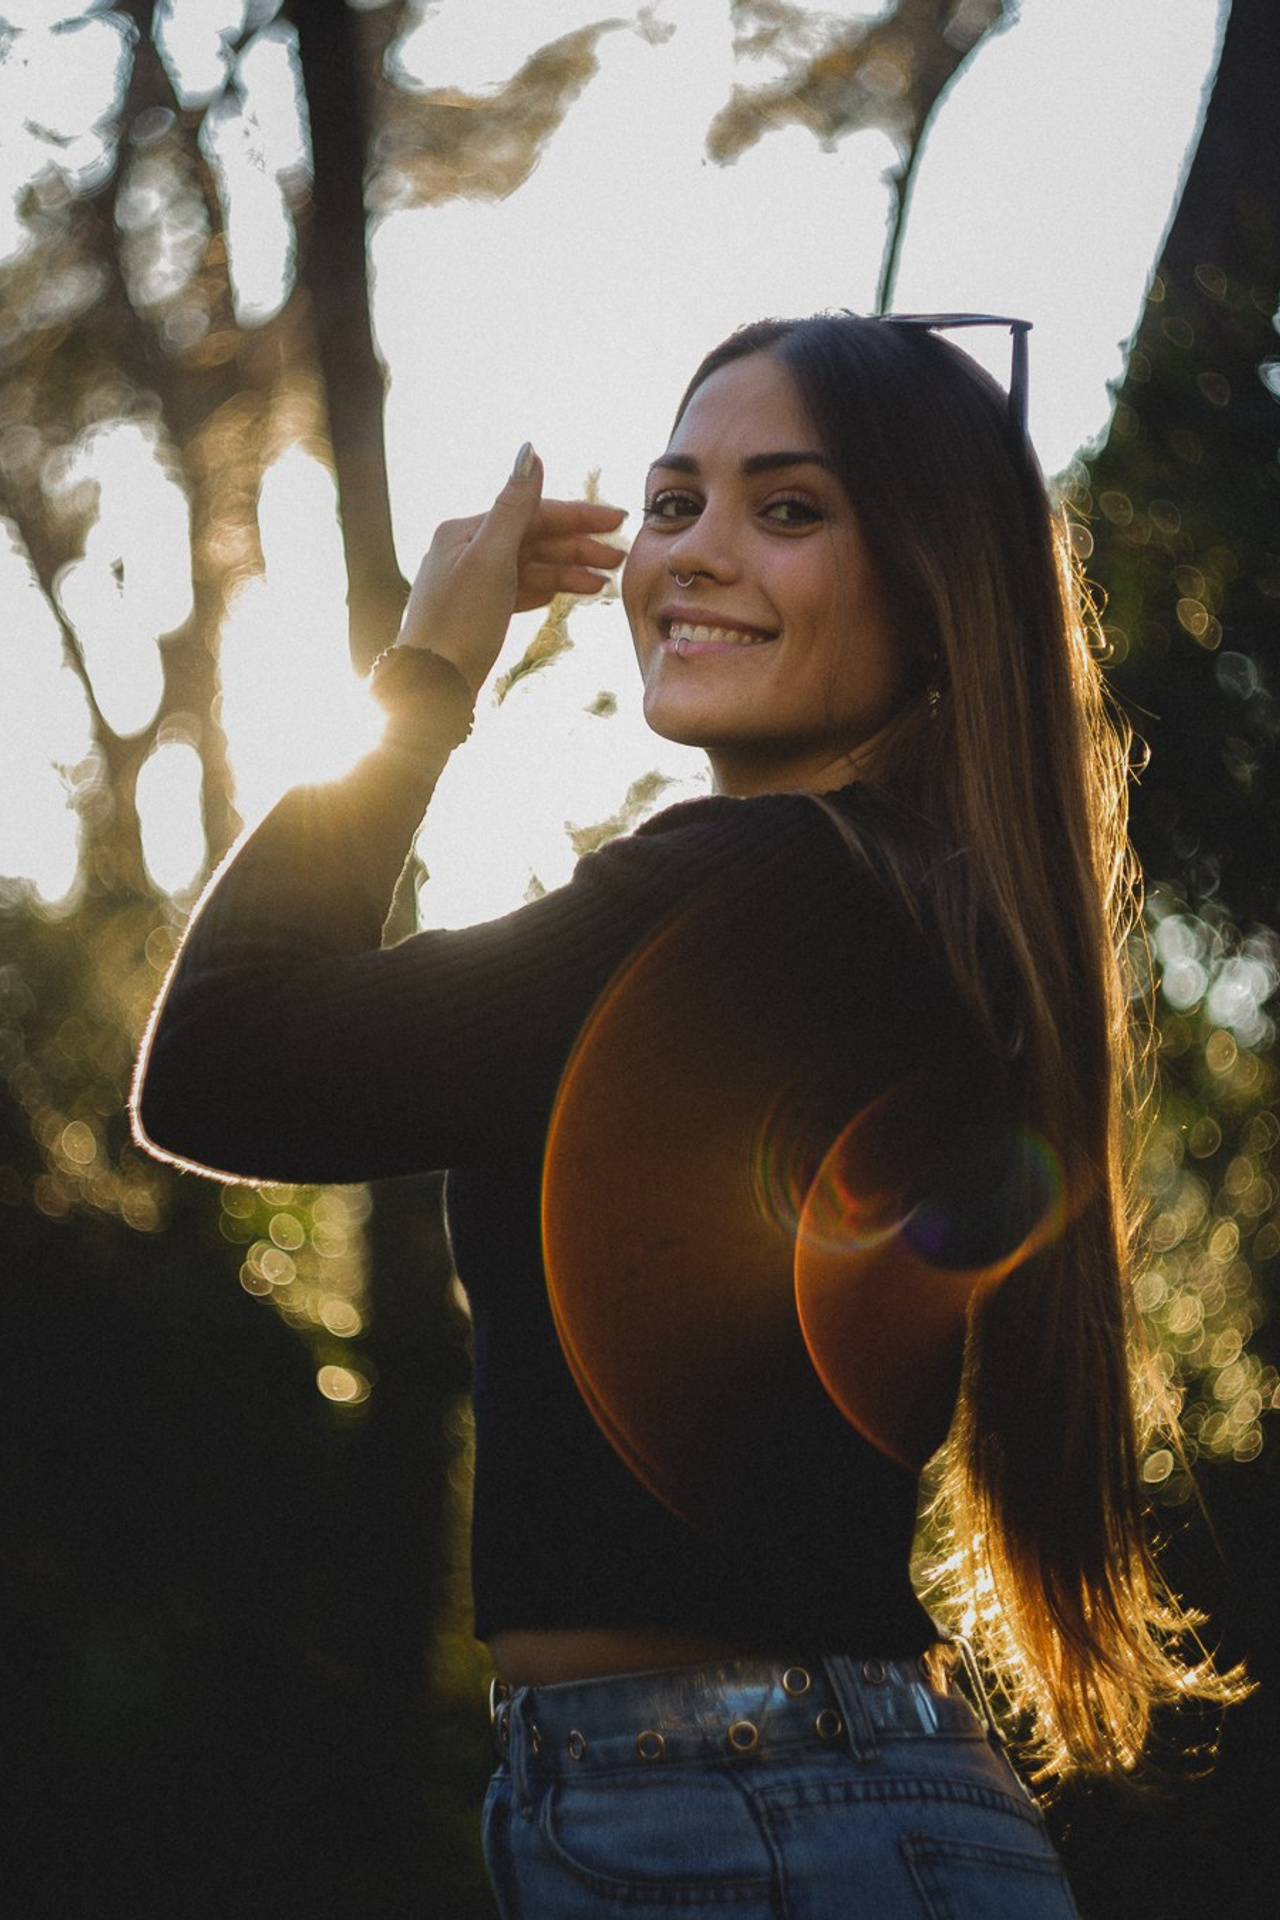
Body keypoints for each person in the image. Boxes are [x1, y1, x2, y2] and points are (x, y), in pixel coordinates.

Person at [133, 313, 1235, 1917]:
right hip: (790, 1807)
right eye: (671, 504)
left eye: (787, 509)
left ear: (937, 590)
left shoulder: (752, 887)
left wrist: (425, 675)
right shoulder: (893, 911)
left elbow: (225, 1059)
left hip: (746, 1821)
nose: (694, 557)